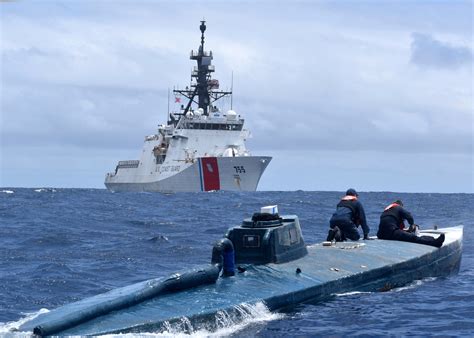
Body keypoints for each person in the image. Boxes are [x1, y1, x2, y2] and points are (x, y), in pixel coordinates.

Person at [377, 200, 445, 248]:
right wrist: (411, 225)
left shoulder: (387, 210)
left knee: (405, 235)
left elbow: (392, 226)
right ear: (400, 205)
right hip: (391, 233)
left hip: (380, 235)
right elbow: (409, 217)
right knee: (413, 238)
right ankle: (436, 243)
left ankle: (431, 238)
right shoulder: (398, 207)